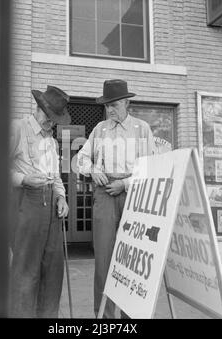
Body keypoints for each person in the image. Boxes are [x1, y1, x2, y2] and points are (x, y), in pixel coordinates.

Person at [77, 79, 156, 318]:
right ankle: (104, 318)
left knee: (132, 260)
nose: (111, 109)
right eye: (107, 105)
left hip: (133, 194)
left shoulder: (142, 129)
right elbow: (80, 159)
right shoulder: (99, 129)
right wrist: (93, 170)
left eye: (115, 104)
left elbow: (151, 167)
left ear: (127, 103)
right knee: (103, 259)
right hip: (104, 194)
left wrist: (125, 183)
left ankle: (130, 317)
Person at [9, 86, 70, 318]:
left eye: (55, 120)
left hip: (51, 206)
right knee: (27, 269)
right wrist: (24, 179)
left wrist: (62, 197)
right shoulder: (17, 128)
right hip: (26, 202)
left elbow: (56, 176)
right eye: (50, 117)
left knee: (53, 269)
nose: (51, 124)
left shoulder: (52, 142)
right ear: (39, 109)